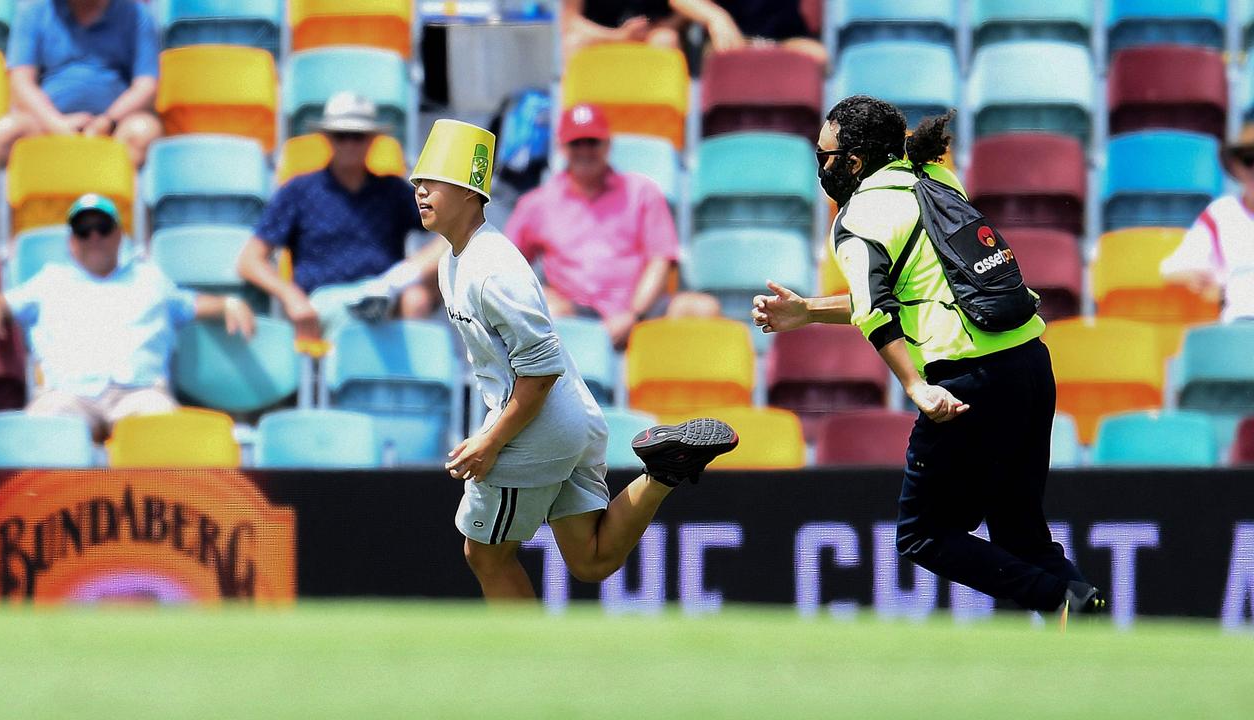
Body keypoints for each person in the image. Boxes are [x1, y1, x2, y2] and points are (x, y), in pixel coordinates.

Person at [752, 95, 1106, 617]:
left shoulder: (857, 217)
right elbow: (918, 286)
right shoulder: (939, 182)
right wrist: (808, 311)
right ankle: (1085, 608)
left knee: (923, 535)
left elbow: (876, 311)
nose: (820, 167)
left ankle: (1058, 599)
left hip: (967, 380)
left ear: (852, 160)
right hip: (1030, 364)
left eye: (824, 156)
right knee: (1021, 532)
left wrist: (916, 388)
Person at [412, 118, 738, 600]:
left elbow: (539, 375)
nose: (419, 192)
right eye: (418, 182)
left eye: (433, 183)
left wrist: (490, 442)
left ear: (469, 193)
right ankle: (664, 472)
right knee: (591, 560)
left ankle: (527, 673)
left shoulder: (491, 270)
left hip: (536, 424)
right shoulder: (453, 260)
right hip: (570, 416)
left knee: (485, 555)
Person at [0, 194, 255, 441]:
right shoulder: (49, 280)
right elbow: (3, 303)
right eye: (84, 231)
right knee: (43, 430)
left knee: (165, 430)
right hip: (68, 395)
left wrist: (228, 303)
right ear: (72, 241)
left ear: (119, 234)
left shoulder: (150, 278)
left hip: (140, 394)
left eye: (103, 228)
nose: (94, 237)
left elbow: (191, 303)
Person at [505, 103, 718, 350]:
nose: (585, 150)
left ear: (607, 145)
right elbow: (508, 266)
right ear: (562, 147)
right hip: (576, 312)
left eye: (592, 142)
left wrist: (633, 314)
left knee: (703, 310)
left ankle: (675, 387)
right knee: (547, 311)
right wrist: (540, 295)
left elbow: (660, 261)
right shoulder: (537, 203)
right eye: (576, 143)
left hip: (642, 311)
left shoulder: (641, 192)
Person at [237, 92, 442, 342]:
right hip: (324, 303)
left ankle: (404, 377)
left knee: (417, 296)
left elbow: (451, 228)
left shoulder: (393, 191)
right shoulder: (298, 191)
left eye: (357, 136)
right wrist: (290, 296)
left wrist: (404, 276)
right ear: (327, 138)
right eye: (341, 136)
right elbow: (249, 260)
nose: (349, 144)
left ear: (371, 140)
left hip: (386, 296)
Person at [0, 0, 163, 167]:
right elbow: (21, 83)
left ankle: (111, 192)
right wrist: (56, 124)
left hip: (116, 127)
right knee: (5, 132)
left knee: (144, 131)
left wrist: (107, 121)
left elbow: (146, 86)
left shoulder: (138, 15)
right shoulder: (32, 12)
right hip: (45, 124)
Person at [1160, 123, 1254, 322]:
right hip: (1238, 327)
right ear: (1237, 167)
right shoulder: (1222, 213)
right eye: (1250, 160)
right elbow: (1171, 269)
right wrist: (1199, 277)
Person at [670, 0, 826, 64]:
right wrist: (716, 17)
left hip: (787, 40)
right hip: (735, 39)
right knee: (724, 56)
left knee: (818, 56)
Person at [561, 0, 685, 58]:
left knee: (665, 39)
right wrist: (619, 36)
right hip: (599, 35)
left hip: (649, 34)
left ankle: (660, 108)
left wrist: (665, 25)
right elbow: (570, 19)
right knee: (573, 42)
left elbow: (684, 8)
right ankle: (577, 108)